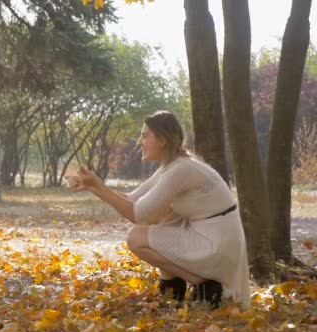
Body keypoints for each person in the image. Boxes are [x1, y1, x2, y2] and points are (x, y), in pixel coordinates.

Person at [67, 111, 250, 309]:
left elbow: (136, 213)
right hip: (211, 234)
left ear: (162, 140)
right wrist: (94, 186)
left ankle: (205, 286)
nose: (139, 142)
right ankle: (173, 288)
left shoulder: (181, 170)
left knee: (136, 237)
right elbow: (133, 199)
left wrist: (99, 187)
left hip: (217, 243)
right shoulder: (172, 165)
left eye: (145, 135)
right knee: (157, 216)